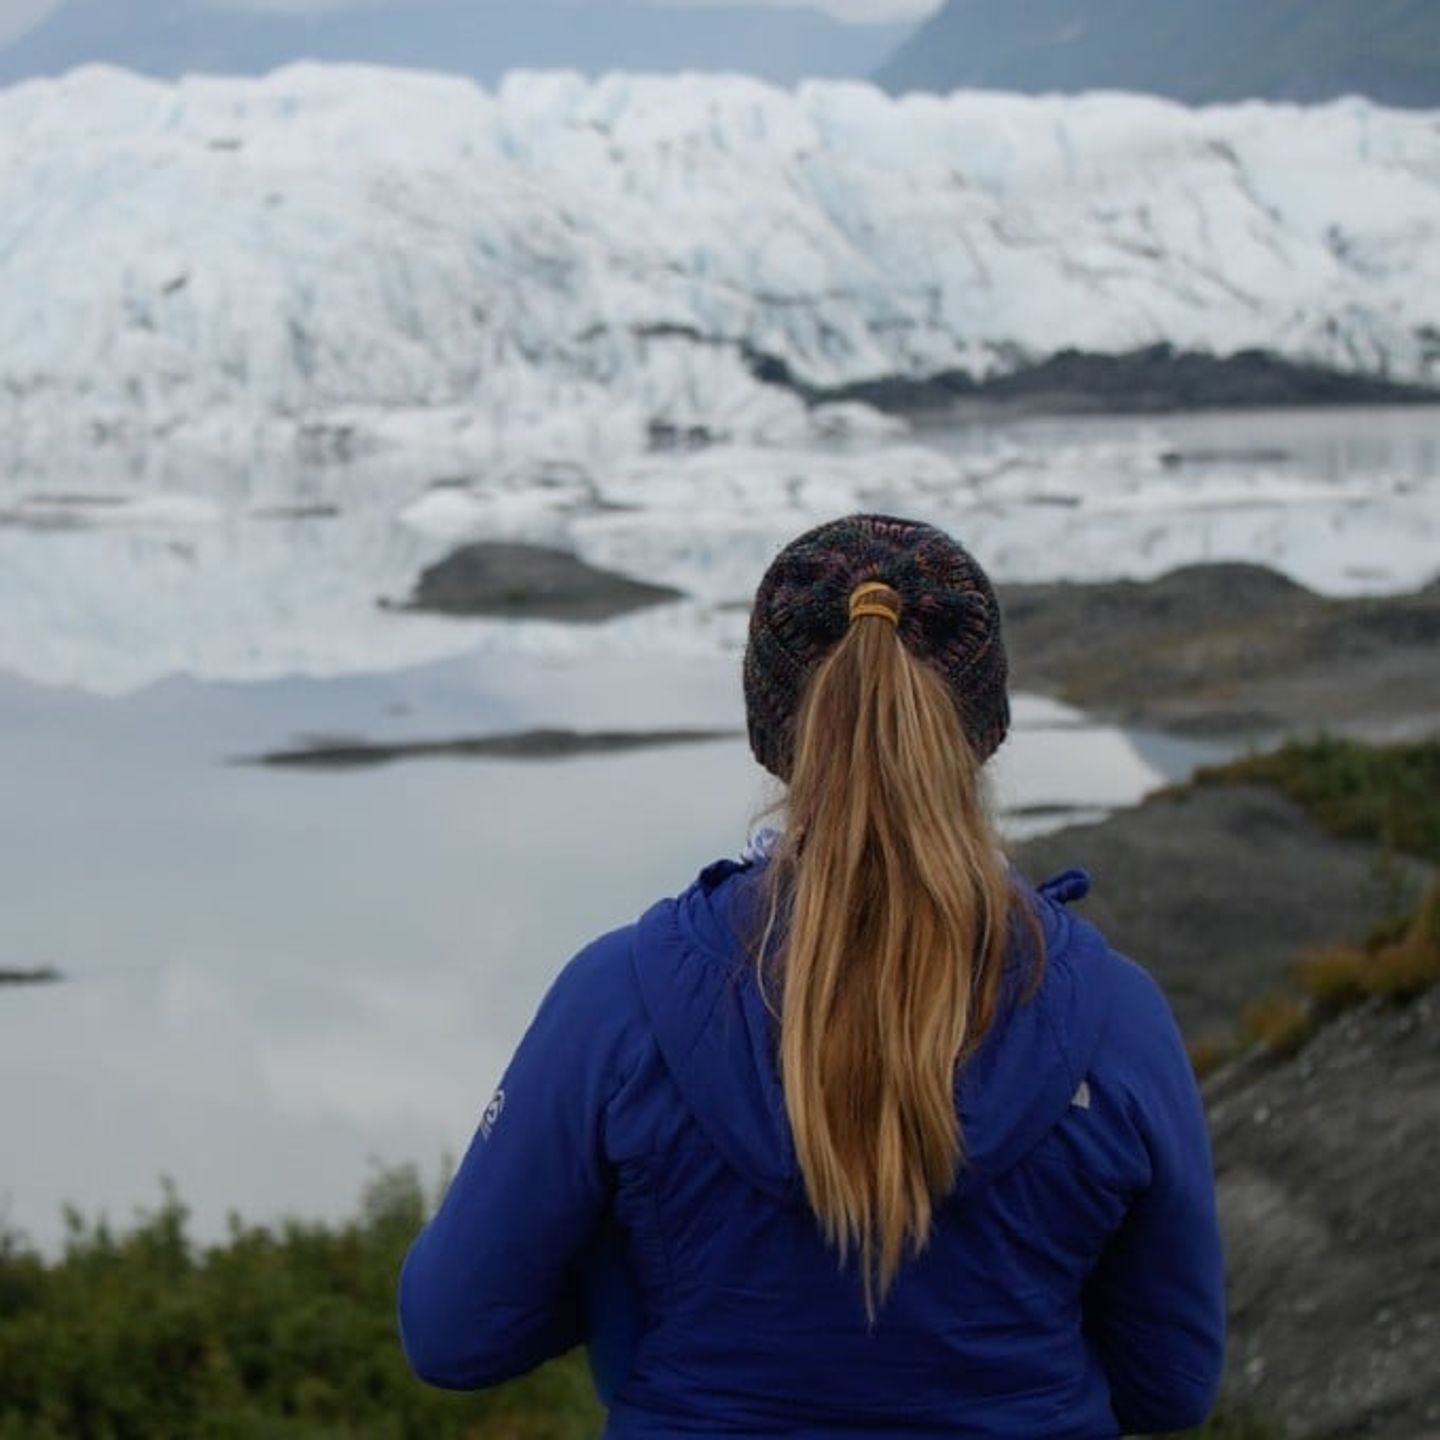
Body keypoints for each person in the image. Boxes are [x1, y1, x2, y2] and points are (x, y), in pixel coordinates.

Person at [397, 513, 1226, 1438]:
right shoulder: (1115, 1017)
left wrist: (626, 1279)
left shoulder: (619, 1001)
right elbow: (1173, 1385)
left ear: (771, 730)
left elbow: (453, 1333)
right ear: (983, 729)